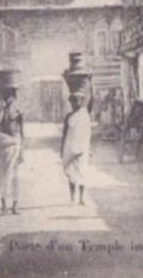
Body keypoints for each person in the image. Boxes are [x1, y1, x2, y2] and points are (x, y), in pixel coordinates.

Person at [61, 78, 94, 206]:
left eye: (79, 100)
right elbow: (64, 134)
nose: (77, 103)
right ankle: (72, 198)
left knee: (82, 173)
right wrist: (61, 150)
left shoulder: (85, 113)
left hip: (82, 149)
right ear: (71, 102)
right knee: (71, 174)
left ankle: (81, 198)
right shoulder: (68, 117)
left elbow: (92, 101)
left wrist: (91, 83)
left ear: (82, 102)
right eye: (74, 101)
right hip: (69, 149)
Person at [0, 83, 24, 215]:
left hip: (15, 145)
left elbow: (21, 132)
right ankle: (4, 206)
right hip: (4, 146)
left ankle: (14, 206)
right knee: (2, 175)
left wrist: (22, 150)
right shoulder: (0, 110)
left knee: (15, 177)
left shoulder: (18, 111)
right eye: (7, 95)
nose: (9, 98)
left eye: (11, 95)